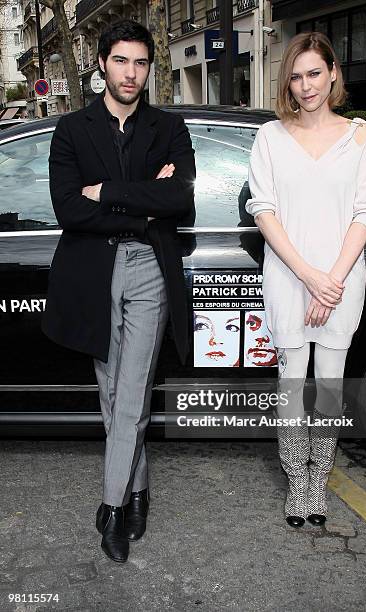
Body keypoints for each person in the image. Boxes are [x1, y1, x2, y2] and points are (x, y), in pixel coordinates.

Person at [42, 20, 195, 562]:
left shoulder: (169, 126)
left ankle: (109, 509)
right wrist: (143, 201)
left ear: (150, 68)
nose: (132, 73)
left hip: (150, 270)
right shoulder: (72, 130)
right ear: (102, 63)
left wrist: (106, 192)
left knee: (129, 392)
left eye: (141, 63)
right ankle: (138, 489)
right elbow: (68, 210)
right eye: (122, 61)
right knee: (114, 399)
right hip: (93, 275)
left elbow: (180, 201)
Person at [246, 31, 366, 528]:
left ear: (332, 75)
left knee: (327, 386)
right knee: (289, 382)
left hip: (342, 280)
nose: (306, 86)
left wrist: (332, 281)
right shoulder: (270, 137)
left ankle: (318, 481)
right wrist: (308, 277)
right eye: (296, 76)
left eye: (314, 74)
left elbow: (365, 213)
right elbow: (263, 209)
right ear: (288, 81)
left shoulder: (358, 136)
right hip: (288, 276)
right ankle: (296, 483)